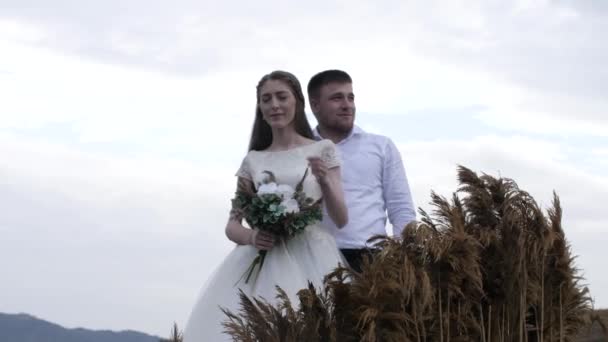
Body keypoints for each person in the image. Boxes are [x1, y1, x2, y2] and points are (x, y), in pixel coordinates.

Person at [183, 70, 348, 341]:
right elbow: (232, 225)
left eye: (281, 97)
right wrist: (253, 236)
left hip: (313, 256)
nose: (274, 105)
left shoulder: (323, 150)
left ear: (297, 101)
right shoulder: (254, 160)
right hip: (261, 259)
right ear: (259, 107)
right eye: (266, 99)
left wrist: (325, 181)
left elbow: (342, 218)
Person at [307, 69, 416, 272]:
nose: (347, 105)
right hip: (313, 259)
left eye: (350, 97)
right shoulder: (302, 150)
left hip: (371, 259)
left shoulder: (381, 146)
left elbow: (401, 208)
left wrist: (402, 258)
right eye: (337, 98)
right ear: (315, 105)